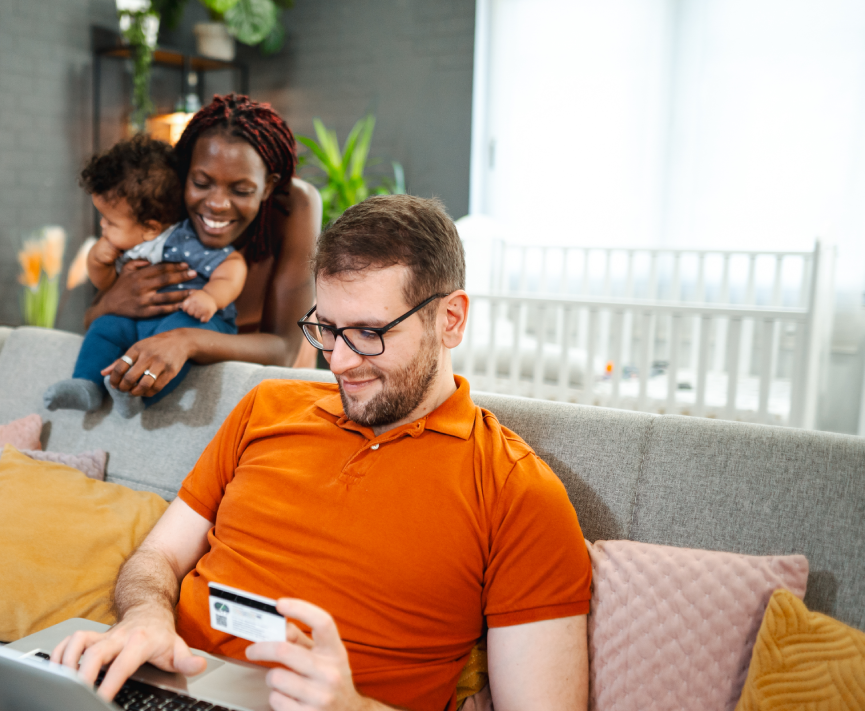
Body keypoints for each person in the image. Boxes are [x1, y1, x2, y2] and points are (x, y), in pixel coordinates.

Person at [50, 194, 592, 711]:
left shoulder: (516, 491)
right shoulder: (267, 405)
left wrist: (353, 707)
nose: (338, 362)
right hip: (167, 690)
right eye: (327, 329)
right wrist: (145, 617)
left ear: (449, 319)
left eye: (368, 333)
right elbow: (157, 557)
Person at [86, 94, 322, 401]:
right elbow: (93, 321)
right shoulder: (167, 201)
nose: (217, 204)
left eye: (241, 190)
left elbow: (283, 350)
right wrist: (111, 302)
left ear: (267, 186)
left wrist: (185, 340)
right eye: (201, 183)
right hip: (177, 373)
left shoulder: (295, 205)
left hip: (265, 377)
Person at [43, 135, 247, 417]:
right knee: (106, 325)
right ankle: (86, 385)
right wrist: (97, 263)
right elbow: (108, 287)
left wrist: (211, 296)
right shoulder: (124, 244)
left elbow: (233, 265)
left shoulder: (184, 240)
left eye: (110, 222)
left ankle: (138, 397)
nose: (102, 226)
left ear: (151, 228)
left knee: (171, 336)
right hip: (137, 323)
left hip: (194, 320)